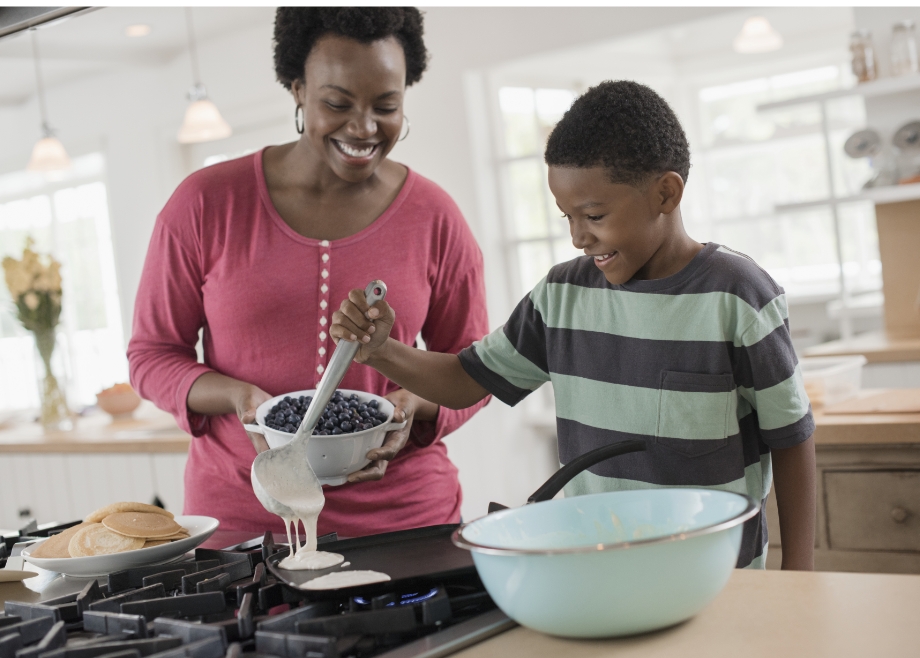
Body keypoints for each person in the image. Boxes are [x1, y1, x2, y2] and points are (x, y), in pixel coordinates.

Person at [331, 80, 816, 569]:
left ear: (665, 193)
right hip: (599, 570)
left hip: (718, 577)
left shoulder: (737, 295)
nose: (579, 237)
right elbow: (463, 380)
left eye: (594, 215)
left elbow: (791, 438)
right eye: (567, 217)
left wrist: (800, 575)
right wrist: (383, 348)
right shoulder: (560, 297)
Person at [128, 7, 489, 538]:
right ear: (297, 88)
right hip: (249, 521)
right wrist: (237, 397)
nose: (364, 128)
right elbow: (151, 356)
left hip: (406, 523)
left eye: (386, 106)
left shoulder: (436, 216)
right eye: (337, 103)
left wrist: (414, 405)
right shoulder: (205, 204)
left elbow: (476, 369)